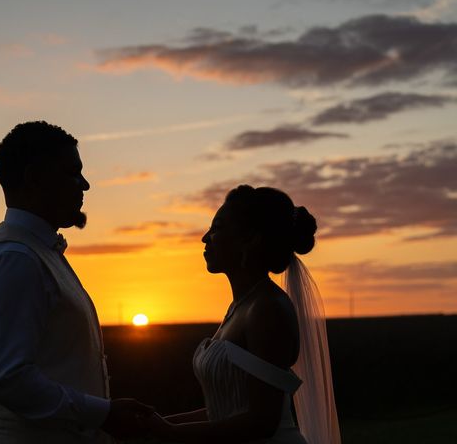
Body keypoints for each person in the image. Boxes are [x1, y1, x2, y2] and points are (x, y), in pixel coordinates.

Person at [0, 121, 152, 443]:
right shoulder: (16, 258)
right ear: (34, 178)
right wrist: (102, 413)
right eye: (72, 173)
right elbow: (6, 379)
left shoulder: (35, 252)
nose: (85, 185)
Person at [144, 185, 341, 443]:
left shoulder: (268, 310)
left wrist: (170, 433)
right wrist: (156, 424)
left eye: (217, 228)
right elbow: (225, 412)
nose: (205, 237)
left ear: (250, 239)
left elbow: (261, 422)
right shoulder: (242, 306)